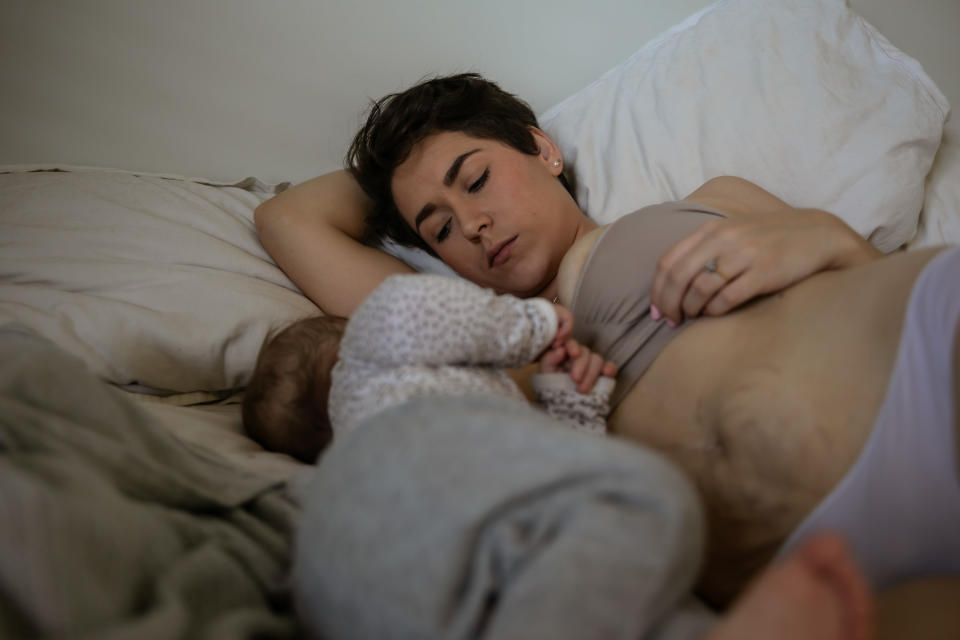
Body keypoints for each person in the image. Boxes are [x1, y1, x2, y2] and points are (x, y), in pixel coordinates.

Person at [254, 73, 960, 624]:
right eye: (437, 229)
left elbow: (865, 267)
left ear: (543, 149)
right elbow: (287, 218)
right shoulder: (476, 345)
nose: (469, 223)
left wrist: (826, 234)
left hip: (919, 359)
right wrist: (389, 183)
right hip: (826, 568)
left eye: (474, 179)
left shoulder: (718, 196)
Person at [243, 272, 618, 462]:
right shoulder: (370, 343)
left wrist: (565, 398)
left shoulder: (358, 468)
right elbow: (413, 307)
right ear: (349, 339)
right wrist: (534, 323)